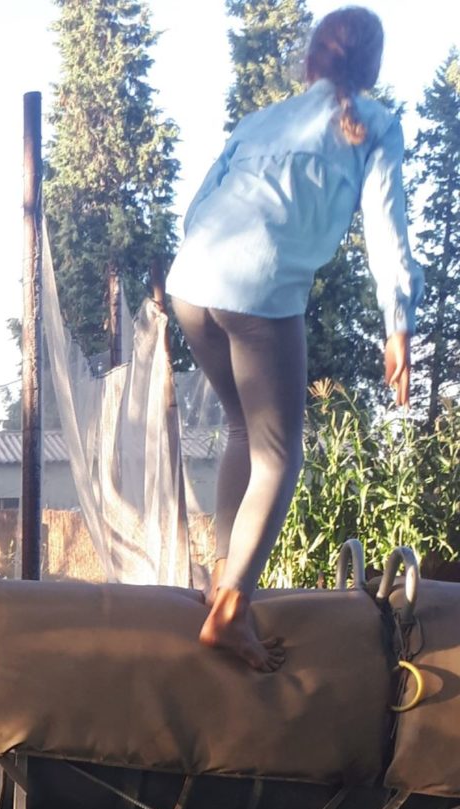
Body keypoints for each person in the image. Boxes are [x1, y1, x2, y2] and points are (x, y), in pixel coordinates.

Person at [165, 6, 423, 672]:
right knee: (281, 460)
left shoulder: (263, 119)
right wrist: (399, 324)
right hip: (258, 290)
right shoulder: (376, 125)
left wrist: (194, 263)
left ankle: (224, 586)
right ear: (369, 70)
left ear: (310, 62)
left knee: (243, 434)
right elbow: (387, 235)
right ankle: (229, 612)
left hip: (192, 282)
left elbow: (199, 206)